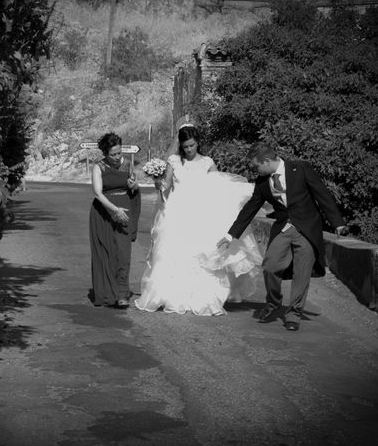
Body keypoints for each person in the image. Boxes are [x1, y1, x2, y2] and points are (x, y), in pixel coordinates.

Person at [134, 124, 263, 316]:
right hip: (177, 213)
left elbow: (218, 187)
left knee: (202, 255)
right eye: (185, 147)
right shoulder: (174, 161)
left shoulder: (208, 162)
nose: (189, 150)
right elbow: (166, 186)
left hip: (202, 213)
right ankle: (173, 296)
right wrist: (158, 181)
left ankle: (203, 297)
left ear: (198, 143)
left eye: (192, 146)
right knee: (174, 255)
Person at [217, 142, 347, 331]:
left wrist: (338, 222)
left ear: (267, 160)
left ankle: (294, 313)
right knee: (270, 266)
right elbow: (250, 209)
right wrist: (231, 235)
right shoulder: (262, 183)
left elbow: (322, 194)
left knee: (301, 273)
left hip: (307, 228)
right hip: (283, 228)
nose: (255, 170)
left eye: (256, 166)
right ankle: (273, 302)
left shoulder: (300, 168)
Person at [89, 132, 141, 309]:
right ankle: (108, 292)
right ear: (105, 153)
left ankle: (121, 293)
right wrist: (114, 210)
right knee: (107, 252)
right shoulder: (99, 167)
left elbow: (132, 184)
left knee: (123, 253)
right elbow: (97, 193)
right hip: (104, 212)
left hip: (124, 210)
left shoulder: (128, 164)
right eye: (113, 154)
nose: (117, 157)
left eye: (119, 153)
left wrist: (135, 186)